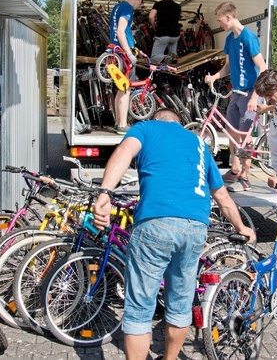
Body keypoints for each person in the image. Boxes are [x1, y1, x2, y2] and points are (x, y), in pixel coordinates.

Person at [93, 108, 256, 360]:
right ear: (180, 124)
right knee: (180, 305)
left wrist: (105, 192)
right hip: (195, 228)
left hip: (156, 221)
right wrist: (242, 227)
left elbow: (125, 151)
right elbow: (222, 197)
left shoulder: (146, 128)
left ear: (156, 119)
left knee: (139, 309)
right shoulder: (200, 144)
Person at [204, 2, 268, 192]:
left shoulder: (248, 37)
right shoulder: (230, 39)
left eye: (220, 20)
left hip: (250, 93)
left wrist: (255, 97)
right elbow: (227, 66)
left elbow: (263, 68)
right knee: (231, 131)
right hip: (236, 93)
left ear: (229, 17)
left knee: (245, 134)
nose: (220, 24)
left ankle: (246, 177)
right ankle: (235, 169)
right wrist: (215, 76)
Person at [110, 0, 145, 135]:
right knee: (126, 89)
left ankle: (118, 123)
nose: (138, 6)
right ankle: (123, 124)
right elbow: (121, 31)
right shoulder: (127, 8)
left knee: (121, 88)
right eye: (140, 3)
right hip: (123, 52)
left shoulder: (117, 6)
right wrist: (129, 53)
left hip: (116, 51)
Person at [148, 0, 182, 65]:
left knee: (154, 57)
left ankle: (166, 58)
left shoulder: (158, 4)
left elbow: (151, 17)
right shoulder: (177, 6)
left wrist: (154, 26)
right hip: (175, 36)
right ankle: (173, 60)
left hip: (163, 34)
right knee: (173, 57)